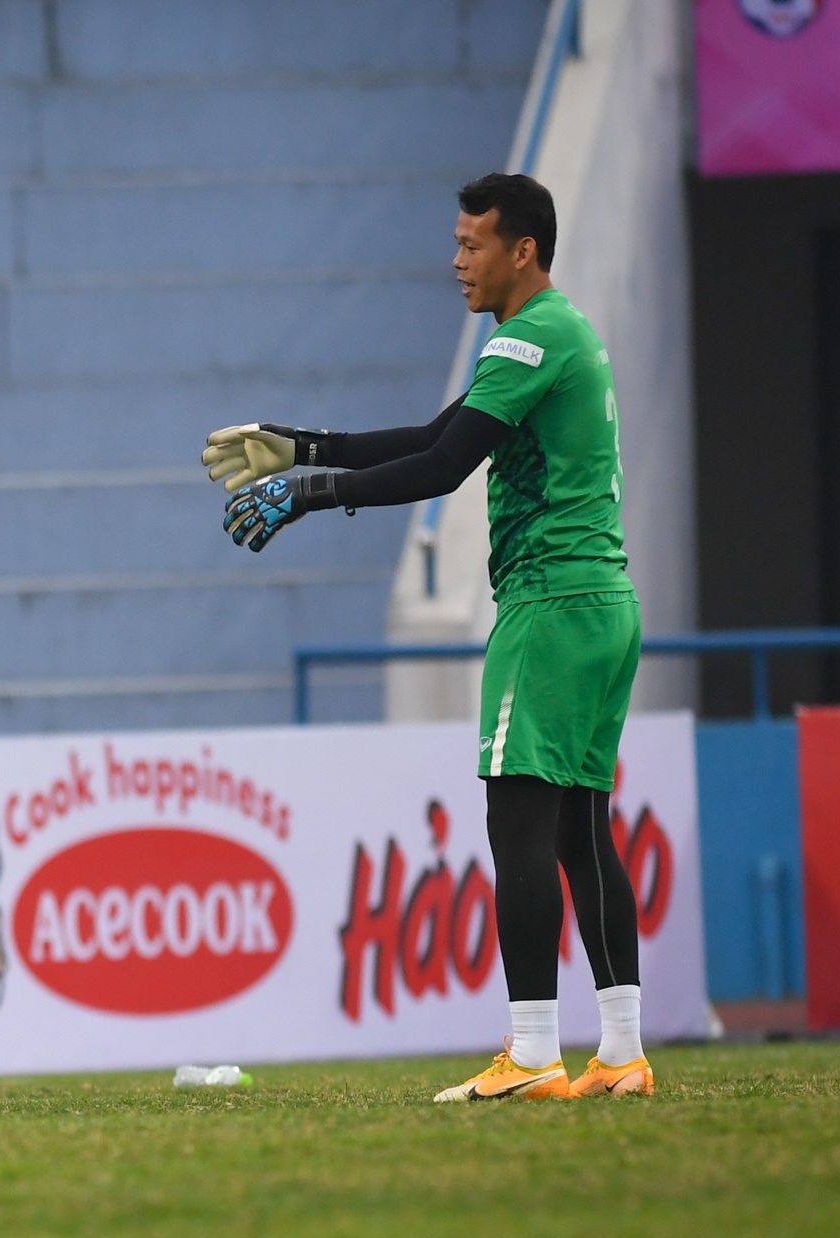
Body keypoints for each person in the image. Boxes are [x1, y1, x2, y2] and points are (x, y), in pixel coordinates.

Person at [204, 172, 651, 1101]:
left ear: (522, 250)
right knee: (580, 830)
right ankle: (622, 1051)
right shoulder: (555, 332)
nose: (456, 261)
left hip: (550, 605)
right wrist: (305, 446)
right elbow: (435, 431)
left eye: (471, 244)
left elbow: (443, 466)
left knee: (518, 821)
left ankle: (534, 1054)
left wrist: (310, 493)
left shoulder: (528, 337)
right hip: (602, 605)